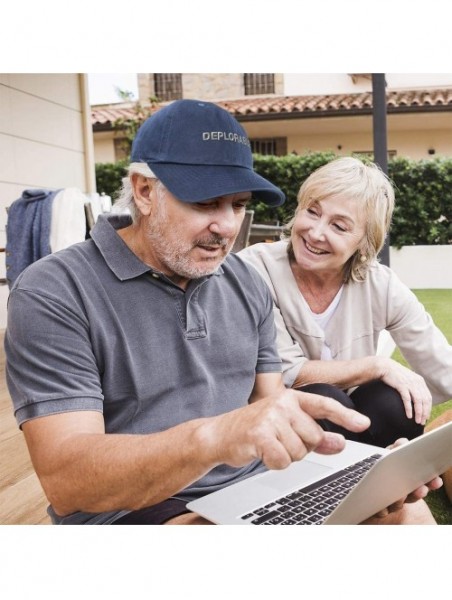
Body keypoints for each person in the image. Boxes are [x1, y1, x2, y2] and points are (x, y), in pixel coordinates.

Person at [5, 101, 440, 526]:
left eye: (237, 204)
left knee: (406, 512)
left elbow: (271, 406)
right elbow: (68, 483)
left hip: (256, 489)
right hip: (142, 508)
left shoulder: (243, 280)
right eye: (206, 203)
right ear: (143, 191)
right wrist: (216, 436)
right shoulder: (54, 290)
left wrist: (354, 475)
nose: (228, 227)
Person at [239, 156, 452, 448]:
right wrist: (377, 365)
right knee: (323, 397)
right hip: (272, 423)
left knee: (396, 401)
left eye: (339, 226)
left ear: (365, 243)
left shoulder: (380, 284)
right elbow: (283, 373)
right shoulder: (254, 268)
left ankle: (375, 468)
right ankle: (367, 475)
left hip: (352, 422)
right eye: (312, 212)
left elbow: (442, 367)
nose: (315, 233)